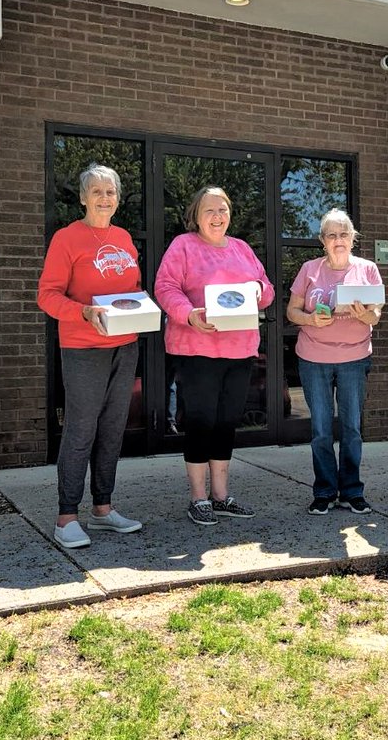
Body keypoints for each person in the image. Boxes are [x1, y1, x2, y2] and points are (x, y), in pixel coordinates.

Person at [37, 163, 144, 549]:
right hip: (83, 347)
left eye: (110, 192)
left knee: (113, 428)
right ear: (83, 198)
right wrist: (82, 311)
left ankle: (102, 508)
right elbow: (47, 295)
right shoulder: (68, 239)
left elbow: (131, 289)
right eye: (96, 192)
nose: (103, 198)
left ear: (118, 199)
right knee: (81, 428)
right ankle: (67, 516)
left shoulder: (124, 237)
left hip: (124, 344)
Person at [154, 186, 275, 526]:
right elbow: (165, 287)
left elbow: (266, 289)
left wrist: (258, 289)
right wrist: (189, 314)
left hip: (239, 350)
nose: (218, 216)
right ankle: (198, 497)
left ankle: (221, 496)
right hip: (197, 350)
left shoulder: (241, 249)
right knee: (200, 420)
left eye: (223, 209)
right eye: (210, 210)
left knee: (226, 421)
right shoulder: (184, 246)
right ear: (195, 215)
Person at [286, 209, 384, 516]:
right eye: (331, 235)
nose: (338, 240)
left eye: (343, 234)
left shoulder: (367, 269)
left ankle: (351, 491)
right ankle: (325, 491)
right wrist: (312, 319)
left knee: (352, 427)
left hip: (354, 357)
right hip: (314, 357)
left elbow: (376, 315)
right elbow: (292, 312)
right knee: (321, 429)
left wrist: (363, 314)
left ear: (353, 238)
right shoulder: (309, 269)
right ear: (322, 241)